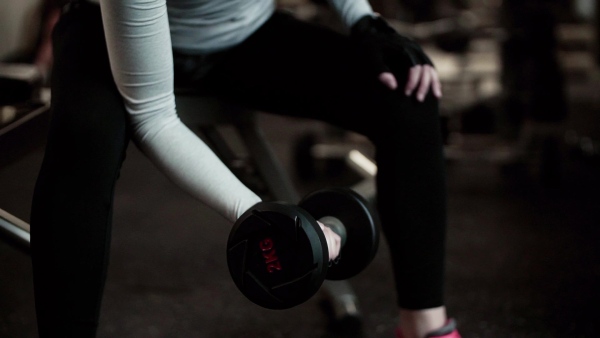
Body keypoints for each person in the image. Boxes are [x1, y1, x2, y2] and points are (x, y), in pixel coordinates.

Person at [29, 0, 460, 337]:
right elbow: (154, 115)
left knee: (408, 96)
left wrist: (364, 21)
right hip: (109, 34)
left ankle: (423, 324)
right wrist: (264, 218)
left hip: (242, 36)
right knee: (84, 142)